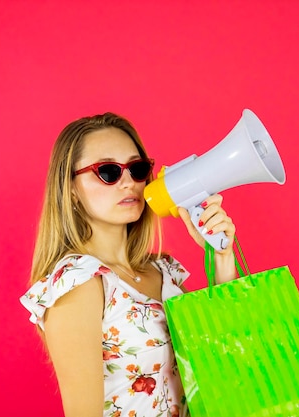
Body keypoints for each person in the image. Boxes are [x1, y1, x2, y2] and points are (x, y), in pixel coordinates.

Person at [20, 112, 238, 417]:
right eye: (108, 171)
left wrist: (221, 258)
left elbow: (227, 358)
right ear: (71, 189)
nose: (128, 183)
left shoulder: (162, 271)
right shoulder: (78, 283)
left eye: (137, 169)